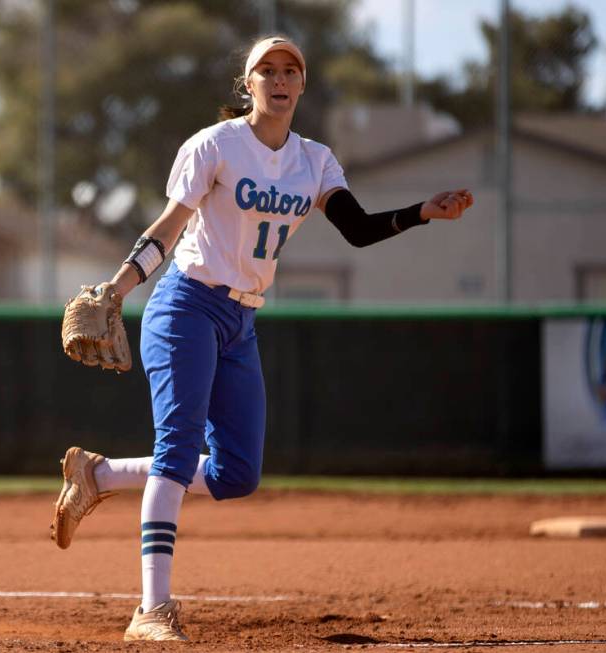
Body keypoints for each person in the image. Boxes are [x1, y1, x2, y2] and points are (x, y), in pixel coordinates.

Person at [50, 35, 474, 642]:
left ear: (302, 85)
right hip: (186, 305)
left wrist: (422, 212)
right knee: (176, 447)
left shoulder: (315, 160)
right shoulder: (216, 144)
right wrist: (117, 289)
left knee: (238, 474)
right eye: (266, 70)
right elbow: (168, 229)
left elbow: (354, 229)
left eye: (290, 70)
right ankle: (152, 609)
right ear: (247, 84)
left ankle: (99, 476)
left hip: (241, 321)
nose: (279, 79)